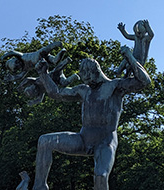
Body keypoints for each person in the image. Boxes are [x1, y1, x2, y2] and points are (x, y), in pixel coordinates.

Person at [32, 46, 151, 190]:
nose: (87, 82)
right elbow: (56, 93)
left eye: (88, 78)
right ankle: (40, 186)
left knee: (101, 175)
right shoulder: (84, 90)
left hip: (105, 141)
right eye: (84, 79)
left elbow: (144, 82)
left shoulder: (115, 86)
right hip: (83, 139)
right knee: (45, 141)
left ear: (96, 72)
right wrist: (43, 73)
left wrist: (130, 57)